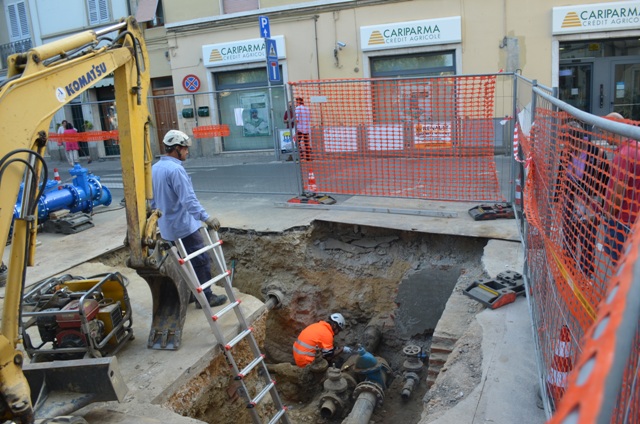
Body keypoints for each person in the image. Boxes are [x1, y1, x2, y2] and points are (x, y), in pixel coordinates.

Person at [151, 130, 227, 308]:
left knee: (183, 265)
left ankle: (193, 294)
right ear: (176, 148)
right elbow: (188, 200)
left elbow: (152, 201)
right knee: (200, 260)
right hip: (184, 226)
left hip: (168, 228)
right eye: (185, 149)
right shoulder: (176, 170)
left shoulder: (155, 168)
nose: (187, 152)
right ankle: (206, 297)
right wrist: (206, 218)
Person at [602, 113, 640, 267]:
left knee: (620, 266)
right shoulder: (634, 148)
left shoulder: (624, 155)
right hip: (632, 220)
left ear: (612, 130)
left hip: (621, 222)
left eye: (604, 131)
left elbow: (617, 195)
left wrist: (607, 215)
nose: (602, 136)